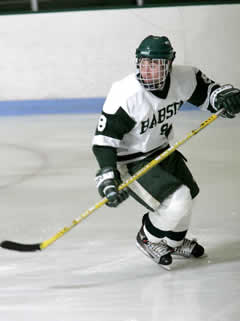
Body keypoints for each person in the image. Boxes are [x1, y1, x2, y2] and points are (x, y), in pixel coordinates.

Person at [92, 35, 240, 268]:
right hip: (131, 160)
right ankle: (148, 238)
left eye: (155, 64)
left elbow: (211, 96)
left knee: (188, 196)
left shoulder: (184, 77)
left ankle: (174, 242)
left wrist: (226, 98)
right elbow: (103, 141)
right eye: (143, 63)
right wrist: (108, 176)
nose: (148, 70)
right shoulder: (125, 94)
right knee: (177, 200)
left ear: (169, 64)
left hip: (162, 150)